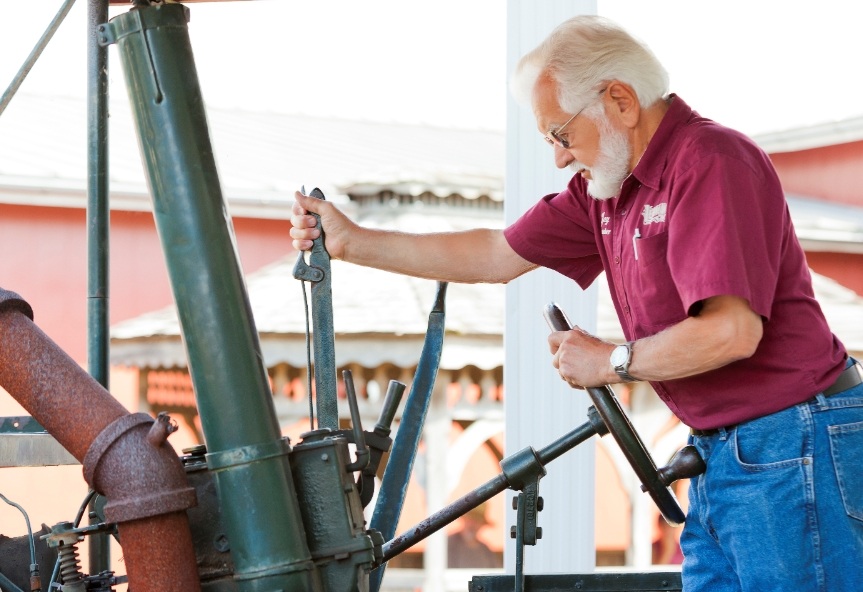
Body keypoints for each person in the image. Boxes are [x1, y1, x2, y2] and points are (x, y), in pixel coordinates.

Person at [291, 15, 863, 591]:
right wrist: (351, 243)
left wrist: (612, 362)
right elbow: (496, 252)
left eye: (561, 135)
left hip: (794, 442)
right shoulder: (606, 193)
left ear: (620, 100)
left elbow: (731, 333)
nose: (560, 158)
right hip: (723, 452)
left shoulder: (711, 161)